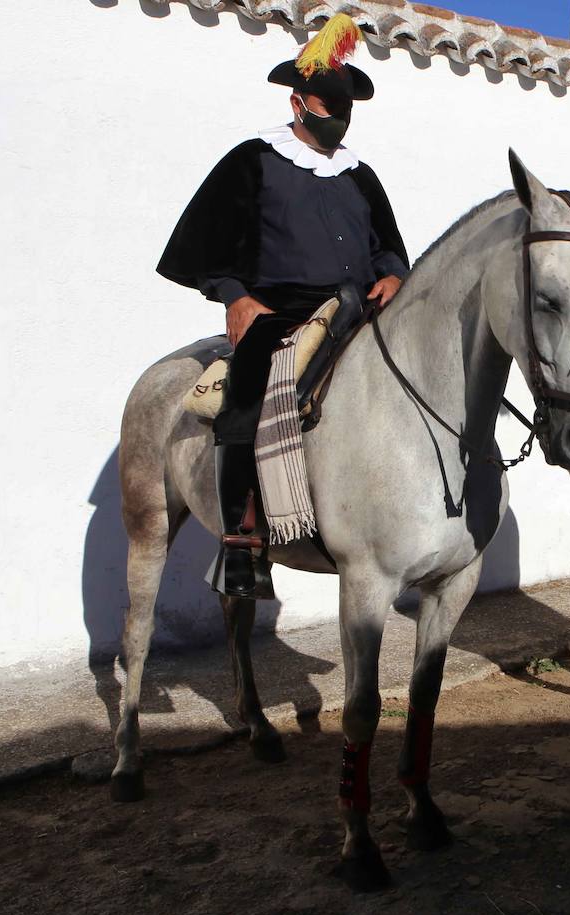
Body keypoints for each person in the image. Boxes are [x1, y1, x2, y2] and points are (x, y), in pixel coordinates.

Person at [156, 14, 409, 597]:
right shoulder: (253, 159)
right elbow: (207, 242)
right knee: (245, 393)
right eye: (327, 107)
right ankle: (242, 545)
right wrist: (235, 296)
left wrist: (394, 276)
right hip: (280, 311)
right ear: (299, 103)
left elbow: (389, 247)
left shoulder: (359, 174)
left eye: (345, 111)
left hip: (358, 310)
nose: (338, 121)